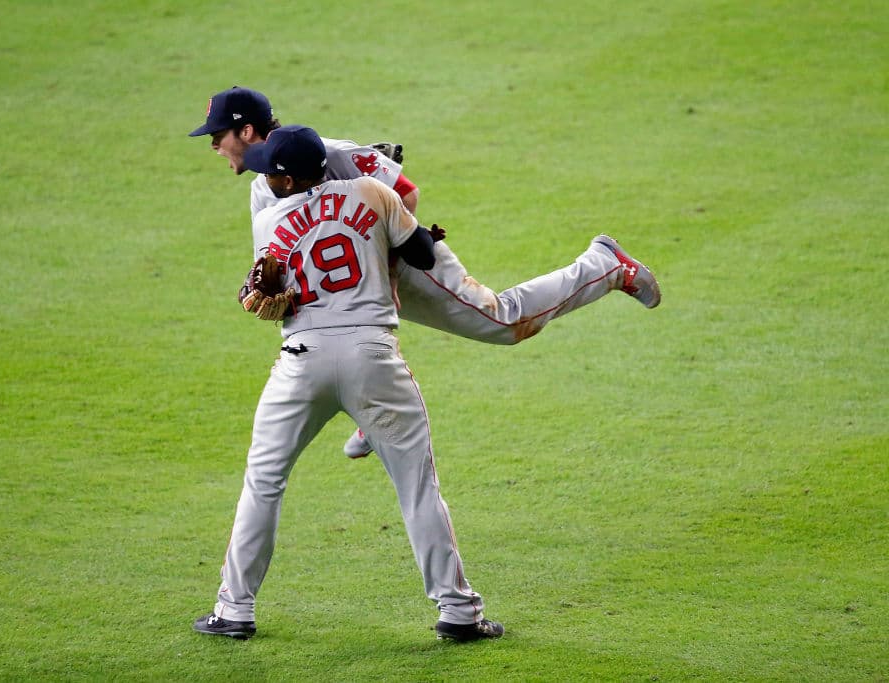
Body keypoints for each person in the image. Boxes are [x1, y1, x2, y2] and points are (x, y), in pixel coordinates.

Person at [189, 86, 661, 459]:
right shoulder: (261, 191)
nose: (213, 146)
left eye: (217, 136)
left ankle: (605, 266)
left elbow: (406, 195)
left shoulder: (326, 152)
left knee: (502, 322)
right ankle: (371, 409)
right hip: (354, 282)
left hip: (406, 255)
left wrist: (386, 275)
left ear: (246, 131)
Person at [192, 125, 504, 642]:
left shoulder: (270, 218)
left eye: (272, 170)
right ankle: (458, 613)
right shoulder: (372, 192)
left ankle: (234, 610)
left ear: (288, 178)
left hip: (301, 361)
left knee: (263, 484)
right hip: (373, 357)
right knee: (417, 488)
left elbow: (270, 297)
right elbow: (423, 256)